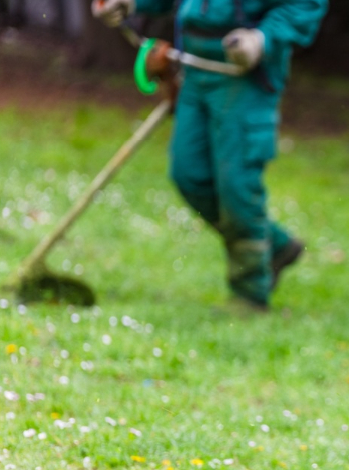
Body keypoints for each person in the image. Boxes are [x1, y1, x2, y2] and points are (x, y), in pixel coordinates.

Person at [91, 0, 327, 311]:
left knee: (237, 187)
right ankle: (276, 245)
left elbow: (305, 4)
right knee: (188, 175)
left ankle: (249, 293)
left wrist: (262, 39)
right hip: (195, 73)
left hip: (246, 78)